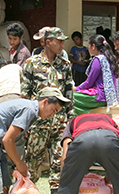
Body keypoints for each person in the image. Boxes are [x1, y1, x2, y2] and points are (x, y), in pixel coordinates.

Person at [0, 88, 69, 194]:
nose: (53, 114)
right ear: (45, 102)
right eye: (54, 110)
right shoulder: (29, 109)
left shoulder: (30, 110)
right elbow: (8, 139)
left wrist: (18, 163)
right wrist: (19, 163)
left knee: (5, 185)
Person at [21, 27, 74, 193]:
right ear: (48, 42)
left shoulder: (65, 65)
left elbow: (69, 95)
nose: (62, 45)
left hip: (60, 124)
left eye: (63, 41)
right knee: (32, 165)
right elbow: (25, 95)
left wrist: (70, 122)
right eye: (59, 41)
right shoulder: (31, 63)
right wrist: (25, 123)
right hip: (37, 124)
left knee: (59, 165)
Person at [58, 113, 119, 194]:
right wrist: (110, 178)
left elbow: (65, 155)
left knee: (67, 188)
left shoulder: (72, 123)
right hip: (109, 140)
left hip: (83, 141)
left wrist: (65, 179)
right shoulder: (111, 121)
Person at [73, 34, 118, 115]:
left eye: (88, 46)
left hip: (100, 97)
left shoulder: (98, 60)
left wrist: (77, 89)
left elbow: (89, 82)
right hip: (109, 97)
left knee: (70, 98)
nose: (88, 48)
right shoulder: (108, 58)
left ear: (93, 46)